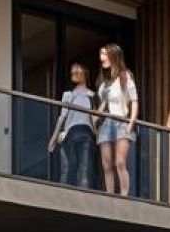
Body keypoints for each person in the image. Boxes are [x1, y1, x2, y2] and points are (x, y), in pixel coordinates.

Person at [95, 43, 139, 197]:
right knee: (107, 165)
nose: (101, 57)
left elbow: (134, 100)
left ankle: (124, 196)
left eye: (104, 54)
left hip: (121, 122)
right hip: (105, 124)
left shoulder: (125, 75)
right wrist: (93, 119)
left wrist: (131, 123)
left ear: (113, 56)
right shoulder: (104, 81)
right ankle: (109, 196)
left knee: (120, 162)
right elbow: (103, 105)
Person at [47, 62, 98, 190]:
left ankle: (83, 197)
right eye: (73, 72)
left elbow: (94, 118)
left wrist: (97, 136)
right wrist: (53, 139)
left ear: (84, 74)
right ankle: (67, 195)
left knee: (83, 169)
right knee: (73, 168)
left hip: (86, 133)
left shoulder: (92, 95)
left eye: (77, 71)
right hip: (72, 133)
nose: (74, 73)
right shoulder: (68, 94)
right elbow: (62, 117)